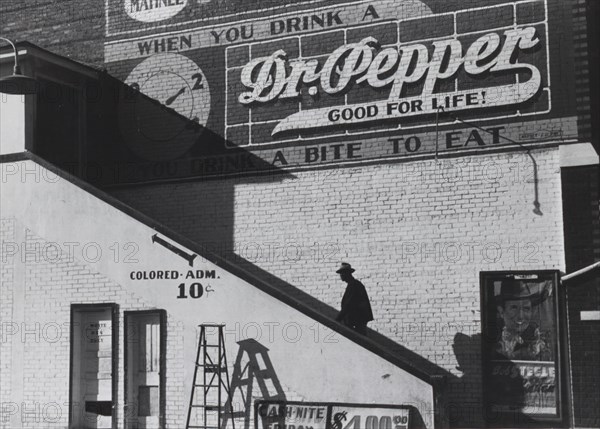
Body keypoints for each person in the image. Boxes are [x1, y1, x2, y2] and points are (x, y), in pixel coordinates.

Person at [495, 279, 551, 361]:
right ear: (501, 311)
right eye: (514, 307)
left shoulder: (537, 339)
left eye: (526, 308)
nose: (521, 316)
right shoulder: (495, 340)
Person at [335, 263, 373, 334]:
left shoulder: (354, 285)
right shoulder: (354, 284)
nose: (340, 275)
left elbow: (348, 304)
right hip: (356, 320)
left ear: (347, 273)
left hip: (356, 321)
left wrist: (338, 319)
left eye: (342, 273)